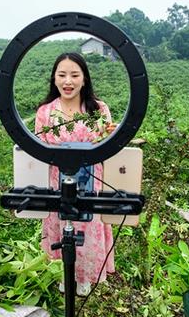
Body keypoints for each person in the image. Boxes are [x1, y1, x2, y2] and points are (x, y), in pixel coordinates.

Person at [34, 52, 116, 296]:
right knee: (62, 226)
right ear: (54, 79)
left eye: (74, 75)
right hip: (57, 180)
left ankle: (84, 277)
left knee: (87, 228)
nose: (67, 81)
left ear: (84, 79)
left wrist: (111, 136)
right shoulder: (45, 112)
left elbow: (107, 145)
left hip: (92, 179)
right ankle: (65, 273)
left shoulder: (99, 109)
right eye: (62, 75)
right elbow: (39, 149)